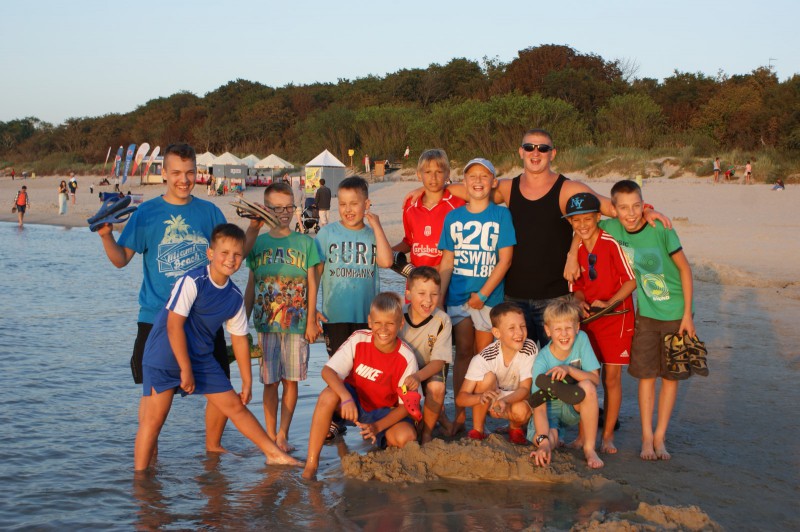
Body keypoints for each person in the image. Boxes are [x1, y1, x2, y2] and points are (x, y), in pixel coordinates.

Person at [424, 129, 668, 349]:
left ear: (553, 153)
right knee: (522, 370)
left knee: (556, 367)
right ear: (521, 152)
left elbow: (612, 208)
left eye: (543, 148)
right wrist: (426, 190)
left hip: (555, 297)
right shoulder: (508, 188)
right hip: (513, 297)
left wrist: (646, 210)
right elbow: (470, 190)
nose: (535, 153)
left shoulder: (568, 189)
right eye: (529, 147)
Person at [96, 143, 232, 453]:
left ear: (197, 172)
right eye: (176, 173)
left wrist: (251, 231)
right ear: (164, 174)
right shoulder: (146, 213)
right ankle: (148, 469)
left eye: (190, 172)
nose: (184, 180)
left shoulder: (210, 212)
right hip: (157, 318)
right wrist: (106, 236)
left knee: (220, 388)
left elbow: (230, 256)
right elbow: (121, 259)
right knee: (156, 402)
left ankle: (214, 451)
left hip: (203, 320)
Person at [134, 223, 301, 471]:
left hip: (201, 357)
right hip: (165, 354)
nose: (230, 259)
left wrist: (247, 381)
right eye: (224, 253)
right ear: (210, 253)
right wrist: (185, 369)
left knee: (235, 406)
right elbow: (173, 326)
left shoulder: (233, 296)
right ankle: (140, 479)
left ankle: (274, 454)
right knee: (154, 421)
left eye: (237, 254)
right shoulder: (193, 281)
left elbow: (239, 339)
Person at [600, 179, 696, 461]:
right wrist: (571, 254)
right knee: (646, 376)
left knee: (671, 377)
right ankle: (645, 437)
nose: (630, 213)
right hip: (646, 314)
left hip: (678, 314)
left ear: (643, 205)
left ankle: (660, 437)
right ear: (614, 209)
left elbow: (685, 270)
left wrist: (688, 315)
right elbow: (585, 223)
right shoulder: (612, 228)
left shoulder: (660, 228)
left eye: (636, 206)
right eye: (623, 208)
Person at [302, 292, 419, 480]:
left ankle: (382, 446)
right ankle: (311, 464)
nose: (383, 329)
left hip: (382, 411)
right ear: (370, 321)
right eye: (378, 322)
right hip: (353, 403)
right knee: (328, 395)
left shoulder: (407, 358)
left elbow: (406, 406)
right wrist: (346, 397)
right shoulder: (359, 339)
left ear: (400, 324)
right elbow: (327, 371)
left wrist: (377, 426)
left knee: (407, 437)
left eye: (390, 323)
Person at [438, 158, 516, 434]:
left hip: (489, 299)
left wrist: (482, 294)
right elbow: (447, 260)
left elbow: (505, 260)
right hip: (458, 297)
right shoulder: (453, 217)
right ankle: (460, 415)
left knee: (483, 357)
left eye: (484, 176)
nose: (478, 181)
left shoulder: (501, 215)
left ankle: (478, 423)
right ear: (464, 182)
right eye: (472, 176)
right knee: (463, 353)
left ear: (493, 182)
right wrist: (439, 300)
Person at [315, 176, 394, 440]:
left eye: (354, 203)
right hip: (335, 316)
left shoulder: (372, 234)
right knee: (338, 371)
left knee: (364, 371)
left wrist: (377, 225)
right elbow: (314, 273)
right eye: (343, 204)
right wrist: (310, 310)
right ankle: (336, 419)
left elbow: (386, 261)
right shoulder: (327, 234)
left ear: (366, 204)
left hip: (367, 318)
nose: (348, 210)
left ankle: (366, 416)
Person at [244, 182, 321, 453]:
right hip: (265, 325)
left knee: (291, 380)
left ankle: (283, 434)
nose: (284, 213)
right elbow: (251, 284)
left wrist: (311, 321)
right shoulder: (258, 244)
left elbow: (312, 284)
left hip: (297, 325)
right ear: (266, 210)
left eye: (289, 207)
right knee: (269, 381)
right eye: (277, 208)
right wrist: (242, 321)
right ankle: (269, 434)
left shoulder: (305, 243)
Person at [563, 192, 636, 454]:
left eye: (587, 219)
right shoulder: (576, 250)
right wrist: (579, 302)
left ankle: (607, 436)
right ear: (570, 222)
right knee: (587, 377)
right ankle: (583, 435)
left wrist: (609, 303)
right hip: (590, 320)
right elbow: (577, 288)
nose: (582, 225)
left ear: (598, 217)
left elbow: (631, 281)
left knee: (612, 378)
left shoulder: (611, 242)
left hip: (617, 317)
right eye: (576, 220)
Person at [527, 299, 603, 469]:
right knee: (550, 441)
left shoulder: (581, 339)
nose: (564, 334)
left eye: (568, 328)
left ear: (577, 327)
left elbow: (595, 379)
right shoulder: (542, 361)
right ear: (548, 330)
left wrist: (568, 370)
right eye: (558, 329)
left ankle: (589, 449)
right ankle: (550, 440)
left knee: (588, 387)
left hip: (571, 406)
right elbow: (539, 408)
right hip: (549, 411)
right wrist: (544, 444)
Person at [456, 302, 536, 444]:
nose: (519, 332)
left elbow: (525, 389)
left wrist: (504, 401)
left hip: (515, 399)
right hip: (490, 401)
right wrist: (480, 397)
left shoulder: (529, 348)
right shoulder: (484, 358)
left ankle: (515, 428)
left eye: (522, 326)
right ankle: (478, 430)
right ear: (497, 333)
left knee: (522, 411)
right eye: (512, 328)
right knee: (487, 378)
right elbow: (461, 398)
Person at [399, 266, 454, 442]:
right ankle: (436, 417)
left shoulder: (442, 320)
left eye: (434, 294)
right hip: (405, 367)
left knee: (436, 389)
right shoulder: (398, 315)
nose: (428, 300)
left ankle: (427, 433)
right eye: (421, 293)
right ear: (408, 294)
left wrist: (418, 376)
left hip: (430, 366)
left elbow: (439, 362)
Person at [392, 149, 465, 269]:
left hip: (446, 277)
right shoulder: (410, 205)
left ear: (447, 174)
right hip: (416, 278)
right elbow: (410, 241)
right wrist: (388, 253)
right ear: (419, 175)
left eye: (439, 172)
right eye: (428, 172)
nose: (433, 177)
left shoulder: (457, 205)